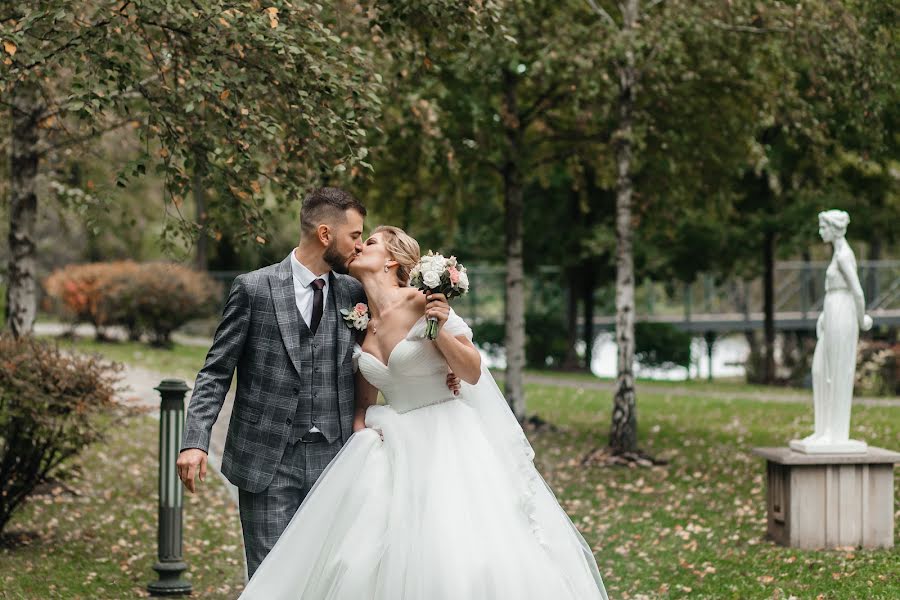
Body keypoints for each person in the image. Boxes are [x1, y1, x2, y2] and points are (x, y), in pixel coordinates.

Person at [238, 225, 608, 599]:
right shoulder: (360, 318)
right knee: (360, 557)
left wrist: (438, 332)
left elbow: (471, 371)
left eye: (369, 243)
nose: (358, 247)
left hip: (445, 439)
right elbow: (364, 402)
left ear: (391, 260)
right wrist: (362, 432)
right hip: (390, 443)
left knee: (454, 553)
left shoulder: (423, 302)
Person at [176, 188, 461, 577]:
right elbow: (215, 371)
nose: (358, 246)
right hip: (266, 463)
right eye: (355, 235)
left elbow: (400, 334)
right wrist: (195, 440)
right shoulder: (254, 288)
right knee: (271, 578)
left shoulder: (354, 292)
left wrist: (444, 371)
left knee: (326, 578)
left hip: (337, 459)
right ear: (326, 235)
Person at [793, 209, 872, 452]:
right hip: (833, 311)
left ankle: (835, 433)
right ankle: (822, 430)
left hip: (843, 312)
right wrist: (824, 316)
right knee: (820, 370)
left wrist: (862, 319)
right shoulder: (837, 254)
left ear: (834, 229)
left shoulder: (844, 256)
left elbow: (857, 291)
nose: (820, 232)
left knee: (837, 371)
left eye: (823, 227)